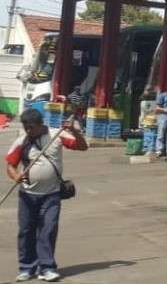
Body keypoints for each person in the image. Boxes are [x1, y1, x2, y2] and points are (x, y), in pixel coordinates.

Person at [6, 108, 88, 282]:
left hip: (51, 194)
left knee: (48, 230)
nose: (29, 131)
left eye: (31, 127)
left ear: (40, 124)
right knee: (26, 231)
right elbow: (10, 165)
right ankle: (27, 268)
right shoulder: (22, 141)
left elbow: (83, 147)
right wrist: (15, 176)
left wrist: (73, 131)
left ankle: (47, 268)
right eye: (26, 127)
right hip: (27, 195)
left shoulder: (57, 135)